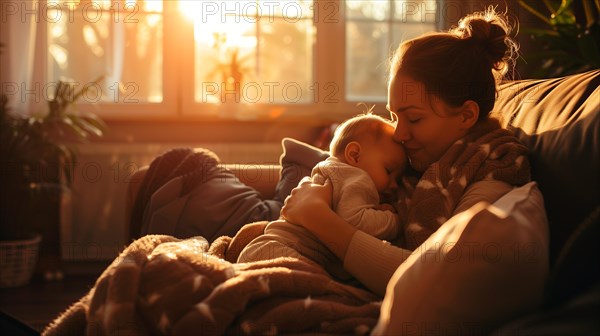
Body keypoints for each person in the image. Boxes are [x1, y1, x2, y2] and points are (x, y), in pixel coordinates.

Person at [279, 8, 531, 296]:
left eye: (413, 119)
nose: (398, 133)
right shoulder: (423, 155)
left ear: (465, 116)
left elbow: (433, 278)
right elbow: (343, 172)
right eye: (394, 116)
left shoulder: (492, 171)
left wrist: (316, 216)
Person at [237, 113, 407, 281]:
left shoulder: (332, 171)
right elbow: (355, 220)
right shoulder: (357, 177)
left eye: (398, 179)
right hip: (285, 252)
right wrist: (394, 221)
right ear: (354, 154)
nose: (394, 185)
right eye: (389, 171)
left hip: (266, 247)